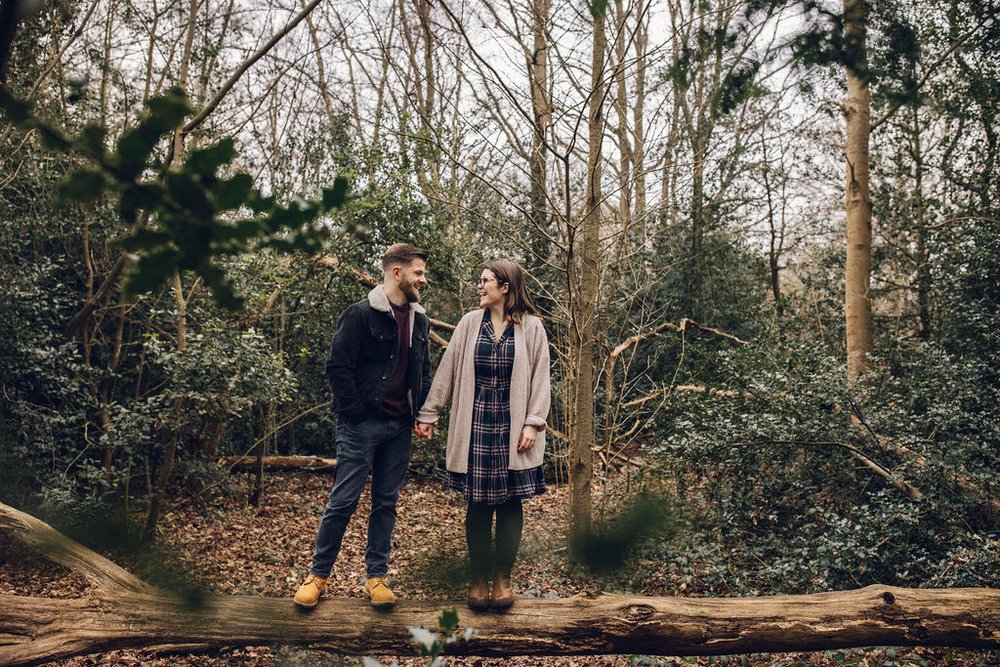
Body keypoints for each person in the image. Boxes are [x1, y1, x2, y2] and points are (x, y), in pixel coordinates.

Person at [293, 243, 431, 609]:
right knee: (343, 501)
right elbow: (337, 367)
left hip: (399, 427)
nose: (423, 279)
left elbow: (423, 372)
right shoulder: (360, 314)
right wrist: (355, 413)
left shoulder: (421, 320)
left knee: (386, 503)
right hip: (360, 426)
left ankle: (376, 578)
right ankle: (317, 576)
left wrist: (421, 414)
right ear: (396, 272)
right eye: (418, 272)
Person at [415, 259, 550, 611]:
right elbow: (446, 371)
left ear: (505, 287)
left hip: (513, 430)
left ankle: (503, 579)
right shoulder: (469, 324)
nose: (480, 286)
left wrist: (533, 423)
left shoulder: (533, 328)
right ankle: (477, 578)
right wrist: (429, 413)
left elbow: (541, 379)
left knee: (509, 504)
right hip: (475, 427)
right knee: (477, 505)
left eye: (486, 280)